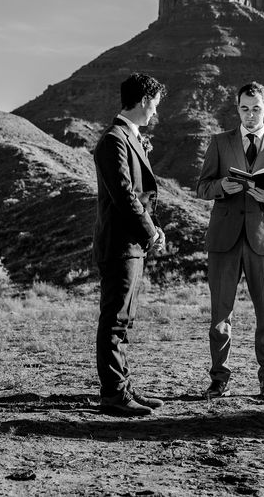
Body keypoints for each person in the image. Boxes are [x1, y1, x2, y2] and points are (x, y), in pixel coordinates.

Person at [197, 82, 264, 400]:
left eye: (256, 108)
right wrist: (223, 186)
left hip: (263, 240)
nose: (250, 115)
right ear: (237, 108)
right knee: (220, 313)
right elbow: (202, 187)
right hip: (224, 239)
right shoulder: (219, 142)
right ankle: (219, 378)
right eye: (244, 108)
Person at [93, 73, 167, 417]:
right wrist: (150, 232)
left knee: (125, 320)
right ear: (143, 101)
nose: (155, 111)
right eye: (154, 103)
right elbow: (124, 194)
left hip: (132, 243)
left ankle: (124, 387)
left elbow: (138, 195)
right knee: (115, 320)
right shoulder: (114, 140)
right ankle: (113, 396)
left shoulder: (129, 137)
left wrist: (152, 229)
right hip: (120, 243)